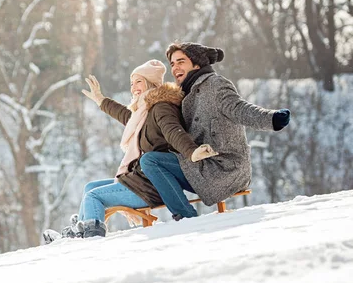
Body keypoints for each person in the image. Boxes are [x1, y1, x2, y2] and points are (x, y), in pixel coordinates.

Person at [43, 60, 218, 243]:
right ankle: (77, 233)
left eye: (138, 81)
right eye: (131, 83)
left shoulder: (161, 107)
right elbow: (127, 117)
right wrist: (101, 101)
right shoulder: (144, 112)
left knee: (93, 196)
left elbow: (174, 132)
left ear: (150, 82)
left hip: (151, 185)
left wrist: (192, 152)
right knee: (90, 187)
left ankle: (90, 240)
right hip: (141, 179)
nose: (133, 87)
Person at [138, 42, 291, 220]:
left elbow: (239, 109)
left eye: (181, 62)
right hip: (202, 165)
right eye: (172, 64)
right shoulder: (184, 93)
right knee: (150, 160)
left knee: (150, 161)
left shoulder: (215, 85)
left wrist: (271, 118)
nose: (175, 68)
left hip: (224, 167)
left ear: (196, 64)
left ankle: (186, 218)